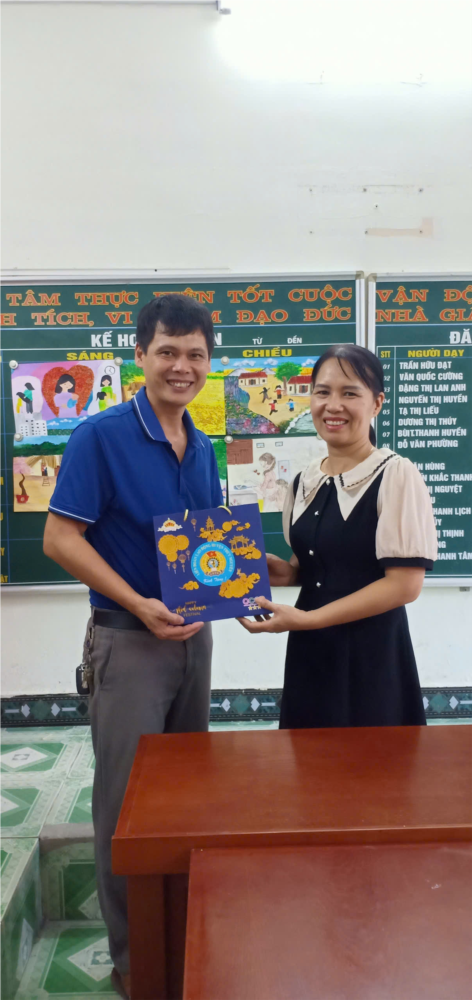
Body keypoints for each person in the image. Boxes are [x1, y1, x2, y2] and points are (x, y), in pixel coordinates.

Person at [43, 294, 222, 1000]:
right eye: (168, 351)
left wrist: (256, 575)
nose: (182, 366)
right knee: (126, 806)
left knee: (187, 794)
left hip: (195, 640)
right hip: (128, 643)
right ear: (140, 355)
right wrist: (139, 604)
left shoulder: (201, 443)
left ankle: (180, 930)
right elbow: (60, 539)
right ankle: (134, 957)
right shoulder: (100, 436)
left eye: (196, 354)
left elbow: (205, 544)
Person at [239, 344, 437, 729]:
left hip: (372, 654)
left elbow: (404, 585)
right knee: (308, 759)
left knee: (370, 761)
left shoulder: (396, 474)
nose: (333, 405)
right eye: (323, 392)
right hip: (311, 651)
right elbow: (313, 566)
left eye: (349, 393)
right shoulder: (304, 480)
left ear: (376, 403)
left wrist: (308, 619)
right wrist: (276, 571)